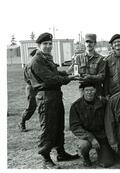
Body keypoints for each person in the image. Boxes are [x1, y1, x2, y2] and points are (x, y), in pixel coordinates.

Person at [27, 32, 80, 169]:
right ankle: (45, 158)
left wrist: (68, 73)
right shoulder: (37, 60)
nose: (48, 46)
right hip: (46, 97)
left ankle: (61, 153)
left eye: (50, 44)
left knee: (58, 126)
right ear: (38, 45)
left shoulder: (46, 58)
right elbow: (50, 79)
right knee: (48, 128)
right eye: (45, 44)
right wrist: (68, 78)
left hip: (54, 96)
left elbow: (55, 74)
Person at [69, 82, 114, 167]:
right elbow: (75, 126)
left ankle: (102, 151)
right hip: (86, 136)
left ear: (95, 90)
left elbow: (109, 119)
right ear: (83, 91)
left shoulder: (103, 102)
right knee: (84, 145)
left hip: (102, 135)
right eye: (87, 90)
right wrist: (91, 138)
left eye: (91, 90)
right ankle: (86, 158)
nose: (89, 92)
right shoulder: (76, 106)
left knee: (107, 163)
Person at [18, 49, 38, 132]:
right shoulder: (30, 65)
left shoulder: (38, 64)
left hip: (38, 87)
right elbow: (28, 79)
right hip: (32, 88)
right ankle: (21, 122)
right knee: (31, 107)